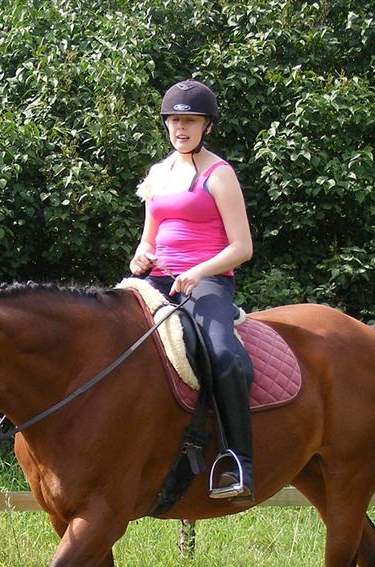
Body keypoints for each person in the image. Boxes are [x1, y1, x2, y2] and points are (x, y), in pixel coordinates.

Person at [130, 78, 255, 500]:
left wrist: (199, 272)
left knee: (222, 355)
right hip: (158, 279)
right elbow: (149, 238)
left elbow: (242, 247)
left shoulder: (220, 175)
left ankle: (238, 461)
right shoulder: (158, 174)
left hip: (208, 281)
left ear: (207, 126)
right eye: (174, 121)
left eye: (190, 121)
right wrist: (141, 256)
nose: (180, 128)